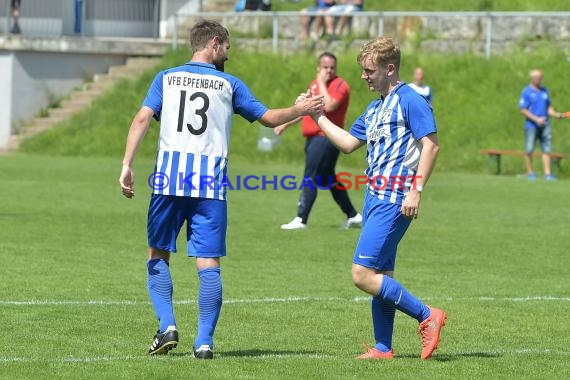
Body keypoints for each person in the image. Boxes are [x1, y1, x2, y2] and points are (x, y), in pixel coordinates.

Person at [119, 20, 323, 360]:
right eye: (227, 48)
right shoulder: (229, 84)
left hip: (169, 179)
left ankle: (168, 325)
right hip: (210, 185)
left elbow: (142, 119)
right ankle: (204, 342)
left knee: (157, 254)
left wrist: (127, 164)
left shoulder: (166, 78)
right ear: (215, 43)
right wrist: (300, 110)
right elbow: (270, 118)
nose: (227, 55)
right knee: (208, 263)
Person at [304, 37, 446, 360]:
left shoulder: (410, 100)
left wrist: (416, 189)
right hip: (373, 197)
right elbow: (347, 143)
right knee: (381, 276)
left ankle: (427, 315)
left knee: (362, 274)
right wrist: (318, 116)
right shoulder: (374, 108)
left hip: (396, 197)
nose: (365, 76)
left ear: (390, 68)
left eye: (370, 70)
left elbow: (432, 145)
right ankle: (383, 347)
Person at [275, 52, 362, 230]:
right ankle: (353, 215)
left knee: (311, 176)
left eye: (332, 68)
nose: (329, 71)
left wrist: (321, 82)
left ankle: (301, 219)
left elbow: (329, 106)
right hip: (313, 138)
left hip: (325, 139)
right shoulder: (314, 85)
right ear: (318, 68)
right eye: (325, 67)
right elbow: (306, 110)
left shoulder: (340, 85)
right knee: (327, 179)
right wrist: (285, 125)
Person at [519, 69, 568, 181]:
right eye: (536, 78)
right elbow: (523, 110)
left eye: (540, 77)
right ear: (532, 78)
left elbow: (549, 108)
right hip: (531, 125)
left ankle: (547, 173)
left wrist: (558, 115)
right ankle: (530, 173)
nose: (539, 80)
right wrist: (536, 119)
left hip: (545, 124)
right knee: (529, 149)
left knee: (546, 148)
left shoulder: (545, 91)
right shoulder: (526, 91)